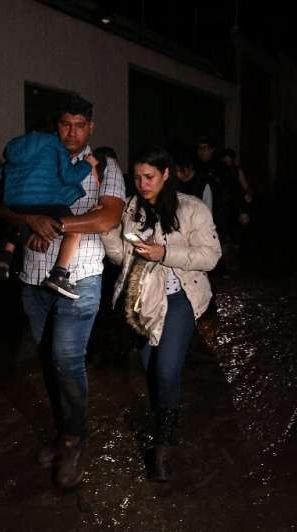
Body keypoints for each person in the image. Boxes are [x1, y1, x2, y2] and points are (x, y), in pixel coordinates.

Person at [0, 95, 125, 488]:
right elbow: (3, 206)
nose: (72, 132)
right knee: (48, 361)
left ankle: (73, 439)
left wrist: (53, 224)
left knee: (67, 359)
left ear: (91, 128)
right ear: (57, 126)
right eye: (65, 124)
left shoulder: (104, 165)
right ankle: (63, 430)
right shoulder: (37, 158)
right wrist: (28, 218)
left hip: (81, 278)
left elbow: (107, 216)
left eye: (79, 125)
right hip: (34, 279)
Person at [101, 145, 221, 482]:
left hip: (180, 297)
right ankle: (162, 418)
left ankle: (164, 446)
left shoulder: (192, 208)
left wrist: (164, 252)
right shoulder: (132, 208)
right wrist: (109, 231)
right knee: (152, 370)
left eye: (149, 176)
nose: (142, 183)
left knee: (167, 370)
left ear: (166, 174)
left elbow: (210, 256)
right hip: (141, 300)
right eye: (137, 177)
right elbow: (118, 258)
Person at [0, 129, 99, 300]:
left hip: (16, 201)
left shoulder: (15, 147)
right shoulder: (54, 144)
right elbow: (68, 177)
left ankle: (4, 259)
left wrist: (20, 189)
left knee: (16, 220)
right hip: (47, 200)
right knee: (75, 229)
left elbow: (0, 176)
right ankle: (59, 274)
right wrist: (87, 164)